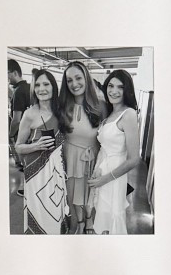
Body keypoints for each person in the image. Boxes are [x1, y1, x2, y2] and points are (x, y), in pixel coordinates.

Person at [88, 69, 143, 235]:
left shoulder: (129, 114)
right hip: (102, 172)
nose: (114, 91)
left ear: (127, 91)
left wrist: (104, 179)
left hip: (113, 176)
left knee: (112, 221)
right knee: (103, 219)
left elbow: (134, 159)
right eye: (110, 86)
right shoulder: (110, 113)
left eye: (120, 87)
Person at [14, 69, 67, 233]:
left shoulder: (63, 110)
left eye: (46, 84)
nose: (41, 89)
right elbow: (18, 147)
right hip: (36, 173)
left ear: (53, 87)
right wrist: (36, 146)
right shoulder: (29, 113)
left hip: (58, 172)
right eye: (37, 85)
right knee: (39, 215)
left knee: (56, 215)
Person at [56, 60, 106, 231]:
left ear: (86, 78)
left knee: (91, 194)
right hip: (70, 157)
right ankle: (79, 222)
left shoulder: (101, 106)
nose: (74, 84)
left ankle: (89, 220)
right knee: (73, 194)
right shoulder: (62, 106)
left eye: (78, 78)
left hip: (93, 157)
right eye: (69, 80)